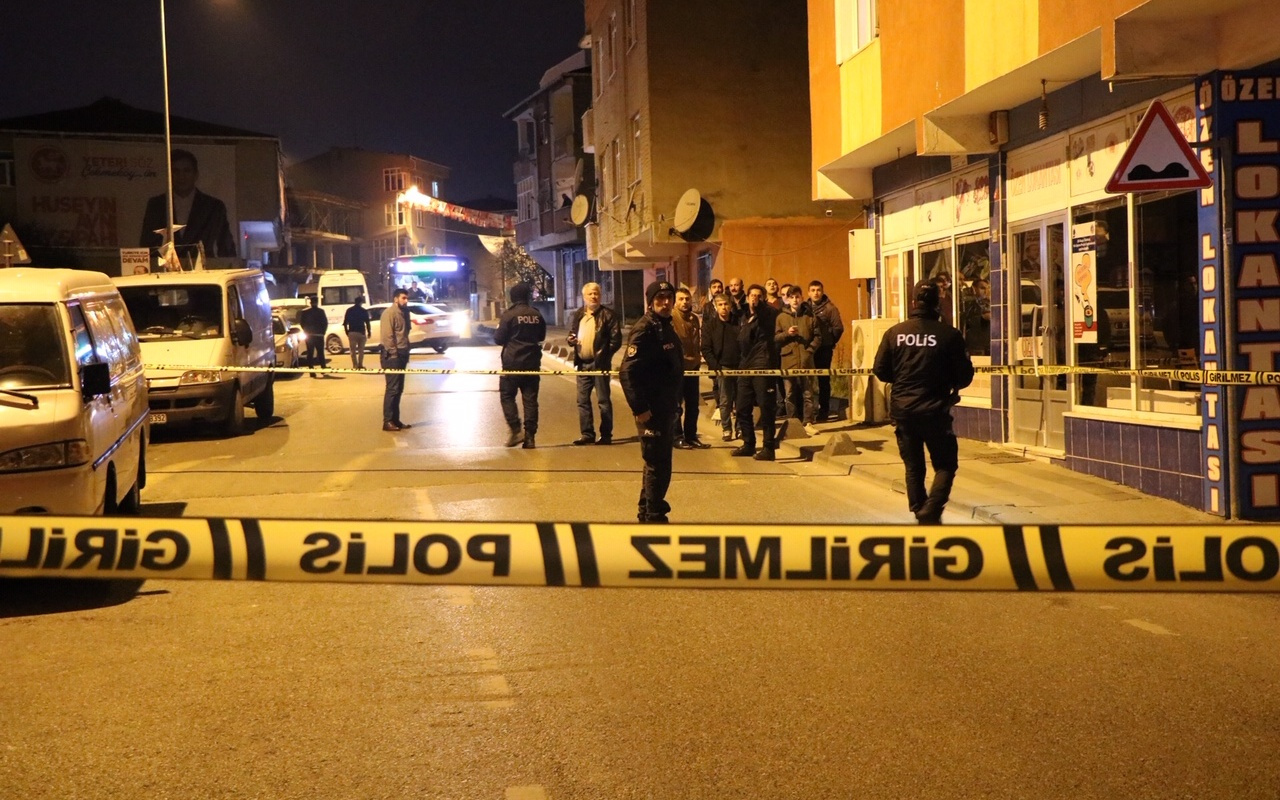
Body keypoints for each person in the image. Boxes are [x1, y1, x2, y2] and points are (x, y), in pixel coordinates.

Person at [872, 280, 975, 525]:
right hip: (935, 410)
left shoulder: (895, 333)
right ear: (937, 303)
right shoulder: (949, 335)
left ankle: (919, 508)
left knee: (913, 464)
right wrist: (949, 383)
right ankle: (931, 508)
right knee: (946, 464)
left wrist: (903, 380)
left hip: (904, 411)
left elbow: (880, 370)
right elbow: (965, 375)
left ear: (913, 302)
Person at [619, 281, 684, 523]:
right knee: (658, 465)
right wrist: (640, 408)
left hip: (665, 406)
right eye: (660, 298)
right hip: (652, 410)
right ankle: (654, 516)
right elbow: (627, 372)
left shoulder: (664, 326)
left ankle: (647, 511)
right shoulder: (645, 329)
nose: (666, 303)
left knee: (657, 465)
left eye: (669, 297)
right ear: (651, 301)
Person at [140, 149, 237, 258]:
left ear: (196, 174)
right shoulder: (156, 205)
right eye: (176, 171)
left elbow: (226, 246)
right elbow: (147, 245)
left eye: (186, 171)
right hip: (165, 271)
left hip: (204, 271)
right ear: (169, 175)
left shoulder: (214, 207)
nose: (181, 176)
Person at [567, 282, 621, 446]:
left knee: (603, 401)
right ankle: (587, 434)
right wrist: (570, 340)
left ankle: (606, 435)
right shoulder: (579, 314)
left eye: (596, 293)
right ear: (584, 296)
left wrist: (604, 356)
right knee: (582, 401)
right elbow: (572, 333)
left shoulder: (608, 315)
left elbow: (616, 340)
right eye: (590, 294)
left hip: (600, 365)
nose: (594, 296)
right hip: (582, 364)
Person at [494, 283, 546, 449]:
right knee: (530, 401)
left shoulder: (509, 315)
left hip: (512, 364)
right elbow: (541, 336)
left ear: (513, 297)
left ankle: (516, 430)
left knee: (507, 396)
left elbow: (499, 339)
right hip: (532, 363)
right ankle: (530, 437)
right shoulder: (536, 314)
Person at [733, 284, 780, 461]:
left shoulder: (768, 314)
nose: (754, 298)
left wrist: (760, 305)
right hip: (745, 366)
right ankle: (748, 443)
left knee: (766, 408)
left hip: (762, 365)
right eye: (752, 295)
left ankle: (769, 447)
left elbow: (767, 317)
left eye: (758, 296)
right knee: (742, 407)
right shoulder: (744, 316)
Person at [774, 284, 822, 435]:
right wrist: (787, 334)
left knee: (808, 393)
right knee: (790, 394)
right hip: (788, 360)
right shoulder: (781, 317)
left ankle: (808, 422)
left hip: (806, 360)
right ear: (787, 300)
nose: (795, 300)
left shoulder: (809, 316)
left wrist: (810, 350)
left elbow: (818, 336)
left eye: (797, 297)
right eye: (791, 297)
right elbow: (775, 338)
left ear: (801, 298)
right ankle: (792, 422)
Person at [671, 287, 710, 449]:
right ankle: (677, 436)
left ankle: (691, 436)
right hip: (677, 369)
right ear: (675, 301)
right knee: (676, 406)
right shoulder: (671, 318)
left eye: (687, 299)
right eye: (681, 299)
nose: (685, 302)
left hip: (693, 367)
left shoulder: (694, 318)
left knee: (693, 405)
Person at [701, 293, 741, 442]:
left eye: (726, 304)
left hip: (740, 367)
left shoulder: (738, 323)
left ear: (730, 306)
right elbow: (705, 348)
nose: (724, 308)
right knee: (725, 401)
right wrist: (716, 367)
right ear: (716, 307)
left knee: (740, 401)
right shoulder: (710, 326)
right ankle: (726, 429)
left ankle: (739, 428)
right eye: (720, 305)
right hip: (722, 368)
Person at [804, 280, 845, 421]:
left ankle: (824, 410)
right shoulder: (805, 308)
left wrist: (830, 341)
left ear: (822, 291)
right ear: (808, 292)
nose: (816, 293)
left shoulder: (830, 309)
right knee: (805, 380)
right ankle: (806, 411)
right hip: (808, 349)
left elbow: (838, 328)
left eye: (818, 290)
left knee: (823, 380)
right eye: (813, 290)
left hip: (824, 349)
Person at [379, 289, 412, 431]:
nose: (406, 301)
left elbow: (406, 332)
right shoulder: (389, 313)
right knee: (392, 389)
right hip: (392, 356)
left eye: (407, 298)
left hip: (402, 354)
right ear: (395, 299)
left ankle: (395, 420)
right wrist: (393, 353)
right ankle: (387, 421)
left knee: (399, 389)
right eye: (403, 298)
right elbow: (387, 336)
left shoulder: (405, 313)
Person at [299, 296, 329, 379]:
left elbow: (302, 323)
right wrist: (323, 332)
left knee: (310, 353)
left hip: (309, 335)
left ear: (310, 302)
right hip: (319, 335)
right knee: (320, 352)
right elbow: (325, 323)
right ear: (317, 302)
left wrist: (306, 331)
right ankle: (323, 368)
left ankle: (311, 370)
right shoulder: (321, 311)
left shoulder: (305, 312)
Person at [961, 278, 991, 355]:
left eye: (988, 288)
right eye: (982, 288)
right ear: (974, 289)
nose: (986, 291)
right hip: (976, 346)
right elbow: (966, 321)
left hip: (991, 344)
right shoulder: (969, 305)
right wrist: (982, 318)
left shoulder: (994, 304)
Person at [343, 296, 372, 370]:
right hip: (361, 332)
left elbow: (345, 322)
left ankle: (355, 365)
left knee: (352, 350)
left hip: (352, 332)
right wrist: (369, 332)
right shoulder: (363, 311)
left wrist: (347, 331)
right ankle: (360, 364)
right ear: (361, 302)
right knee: (361, 350)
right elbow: (367, 322)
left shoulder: (349, 310)